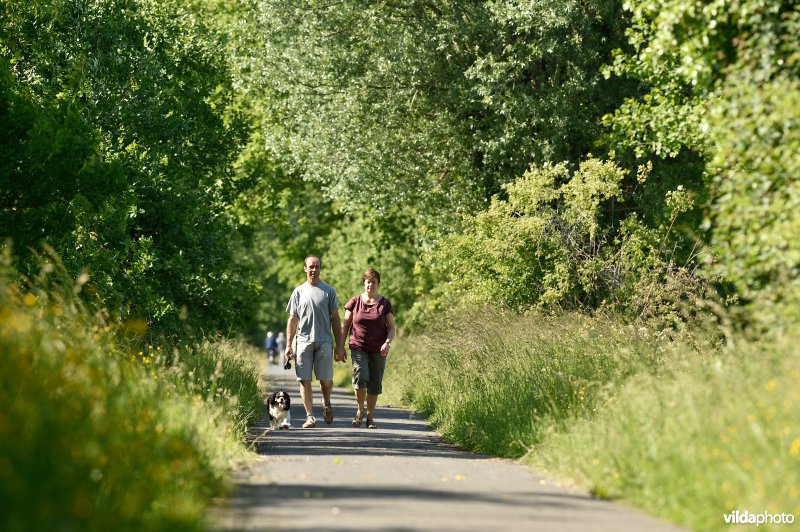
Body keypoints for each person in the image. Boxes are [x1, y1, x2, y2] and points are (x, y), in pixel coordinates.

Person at [284, 255, 346, 428]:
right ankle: (310, 416)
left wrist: (340, 346)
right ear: (305, 268)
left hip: (325, 341)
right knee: (304, 379)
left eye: (317, 267)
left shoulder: (329, 291)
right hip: (303, 341)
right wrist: (289, 344)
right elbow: (292, 319)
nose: (314, 270)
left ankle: (326, 400)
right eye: (311, 267)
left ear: (320, 269)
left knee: (326, 380)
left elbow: (335, 318)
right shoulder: (298, 292)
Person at [342, 267, 396, 429]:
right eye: (368, 282)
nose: (370, 285)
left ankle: (370, 416)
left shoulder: (384, 304)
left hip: (379, 349)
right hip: (358, 347)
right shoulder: (355, 301)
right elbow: (345, 325)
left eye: (373, 282)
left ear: (378, 284)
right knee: (360, 376)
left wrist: (387, 343)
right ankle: (360, 411)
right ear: (363, 283)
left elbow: (392, 327)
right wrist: (340, 346)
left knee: (375, 382)